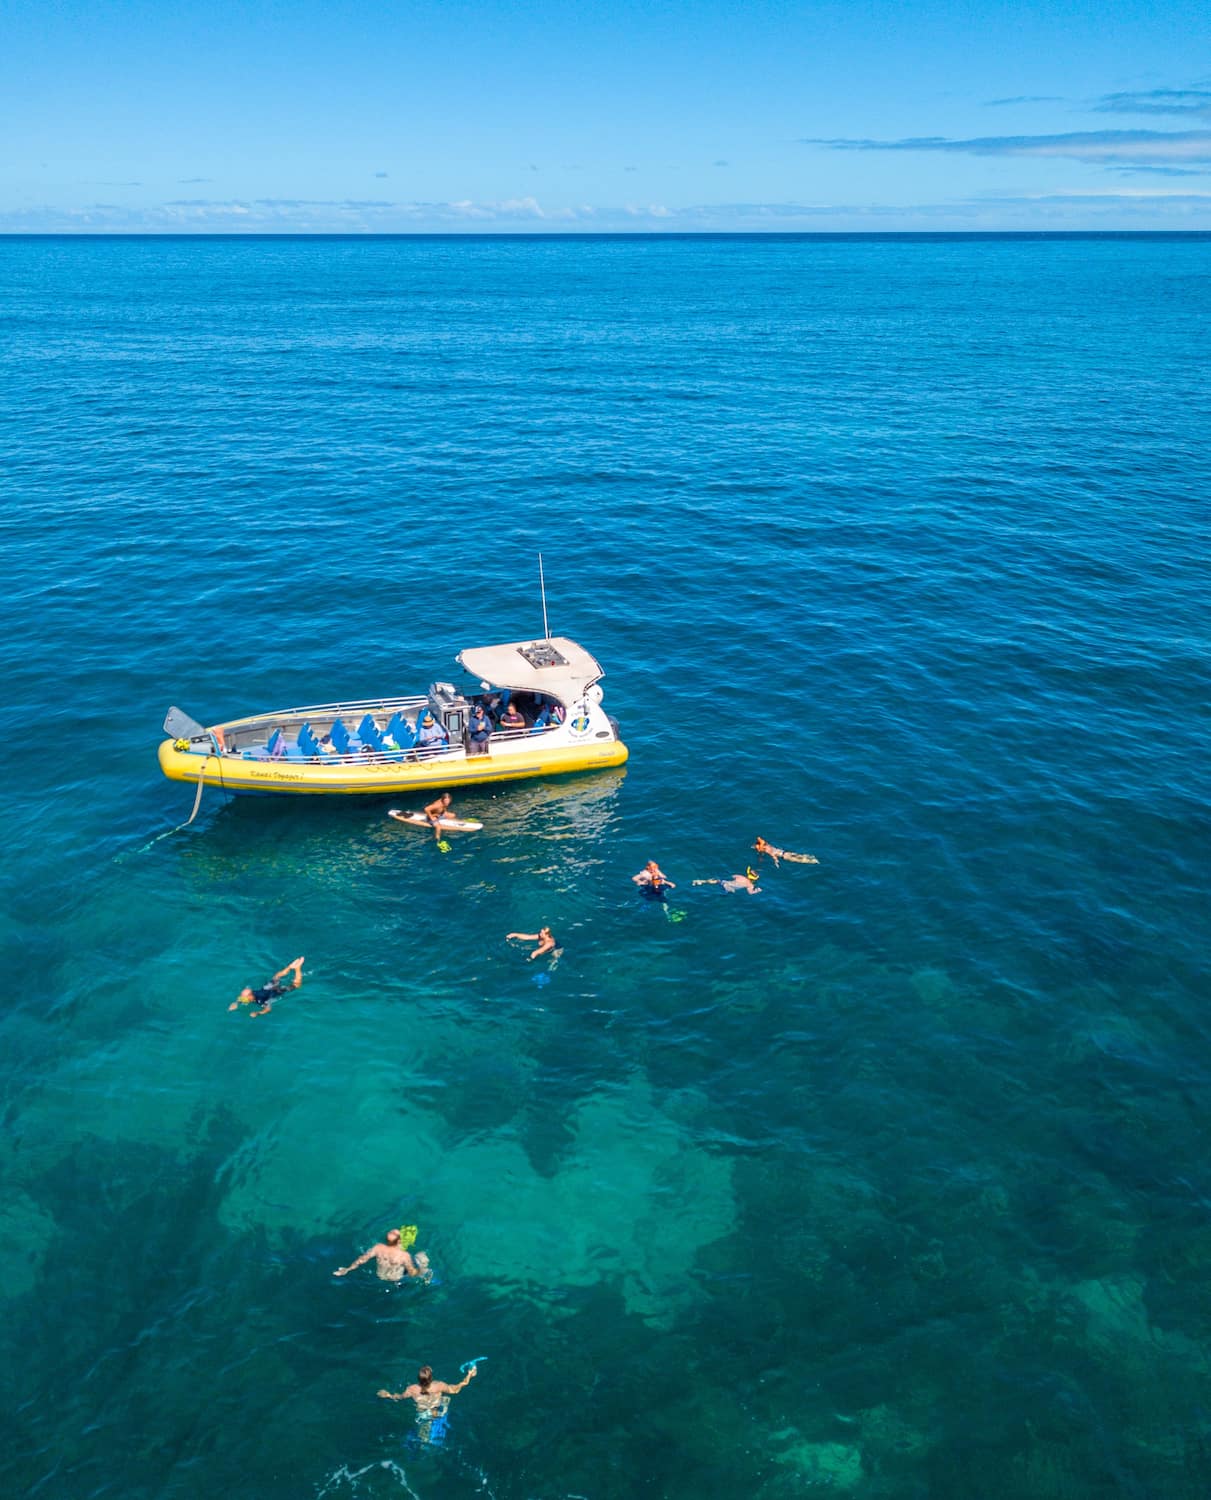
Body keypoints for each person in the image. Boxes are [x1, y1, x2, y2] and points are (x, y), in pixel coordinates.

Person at [379, 1364, 478, 1442]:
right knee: (446, 1399)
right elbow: (456, 1390)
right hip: (438, 1411)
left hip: (423, 1415)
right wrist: (469, 1375)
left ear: (419, 1378)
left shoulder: (411, 1389)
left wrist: (388, 1395)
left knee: (423, 1439)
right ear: (431, 1378)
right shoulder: (439, 1385)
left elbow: (400, 1397)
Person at [334, 1227, 420, 1282]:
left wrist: (347, 1269)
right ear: (400, 1241)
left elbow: (361, 1260)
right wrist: (423, 1271)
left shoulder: (378, 1247)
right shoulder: (404, 1255)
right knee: (421, 1257)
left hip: (380, 1276)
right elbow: (412, 1273)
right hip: (395, 1279)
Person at [229, 956, 304, 1016]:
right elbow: (240, 999)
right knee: (276, 976)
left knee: (296, 985)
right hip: (266, 987)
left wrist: (258, 1013)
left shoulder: (260, 1000)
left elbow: (268, 1009)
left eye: (244, 997)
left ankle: (298, 968)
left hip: (275, 992)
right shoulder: (250, 995)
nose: (242, 999)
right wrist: (235, 1004)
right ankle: (290, 967)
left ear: (250, 996)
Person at [753, 836, 818, 867]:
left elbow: (773, 855)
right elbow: (760, 839)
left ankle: (814, 861)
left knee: (800, 860)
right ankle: (811, 857)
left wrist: (776, 863)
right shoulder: (767, 845)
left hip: (784, 856)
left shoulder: (766, 850)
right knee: (799, 856)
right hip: (785, 852)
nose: (757, 849)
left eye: (757, 847)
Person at [693, 868, 762, 895]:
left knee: (717, 880)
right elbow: (750, 893)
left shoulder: (740, 876)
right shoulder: (750, 885)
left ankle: (701, 881)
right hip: (729, 889)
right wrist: (757, 890)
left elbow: (729, 877)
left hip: (724, 883)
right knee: (731, 892)